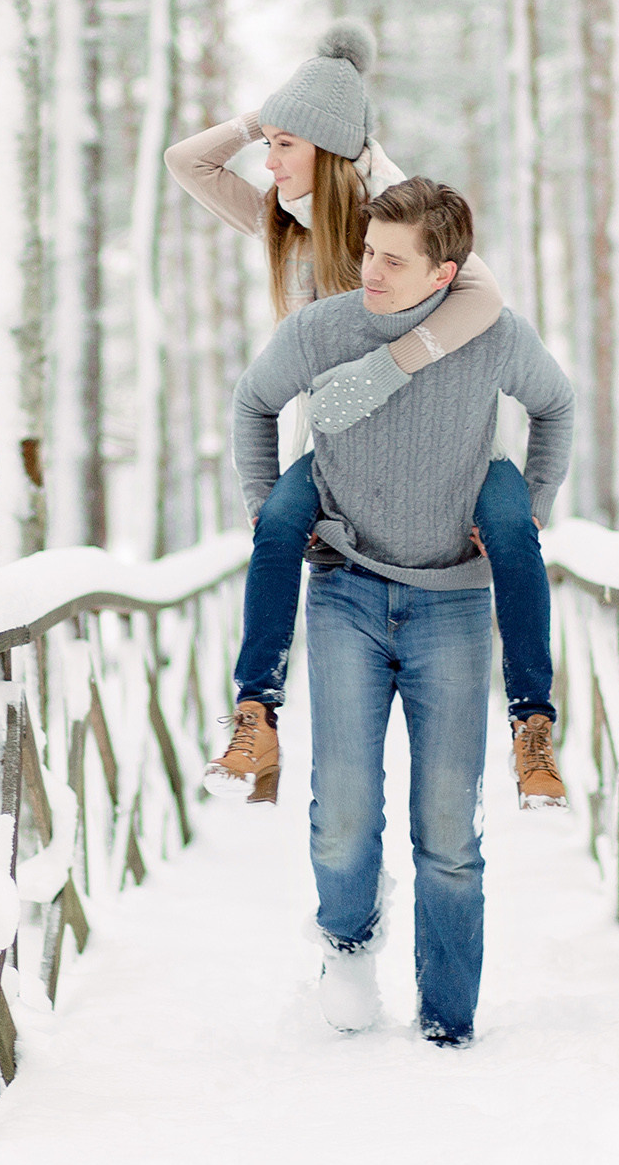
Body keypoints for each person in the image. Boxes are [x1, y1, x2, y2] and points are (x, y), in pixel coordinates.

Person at [165, 23, 564, 810]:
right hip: (343, 452)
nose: (269, 161)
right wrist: (264, 119)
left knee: (514, 530)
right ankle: (256, 715)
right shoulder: (282, 221)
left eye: (285, 146)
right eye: (269, 145)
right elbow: (188, 161)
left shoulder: (387, 227)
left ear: (330, 150)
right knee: (277, 522)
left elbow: (484, 297)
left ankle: (533, 723)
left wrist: (392, 365)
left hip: (447, 444)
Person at [231, 179, 576, 1045]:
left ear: (442, 274)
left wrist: (531, 508)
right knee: (343, 816)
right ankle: (347, 946)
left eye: (393, 260)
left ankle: (448, 1023)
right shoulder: (321, 330)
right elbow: (254, 401)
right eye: (368, 252)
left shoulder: (495, 337)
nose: (370, 272)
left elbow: (556, 403)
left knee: (450, 834)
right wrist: (266, 508)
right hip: (346, 590)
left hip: (452, 604)